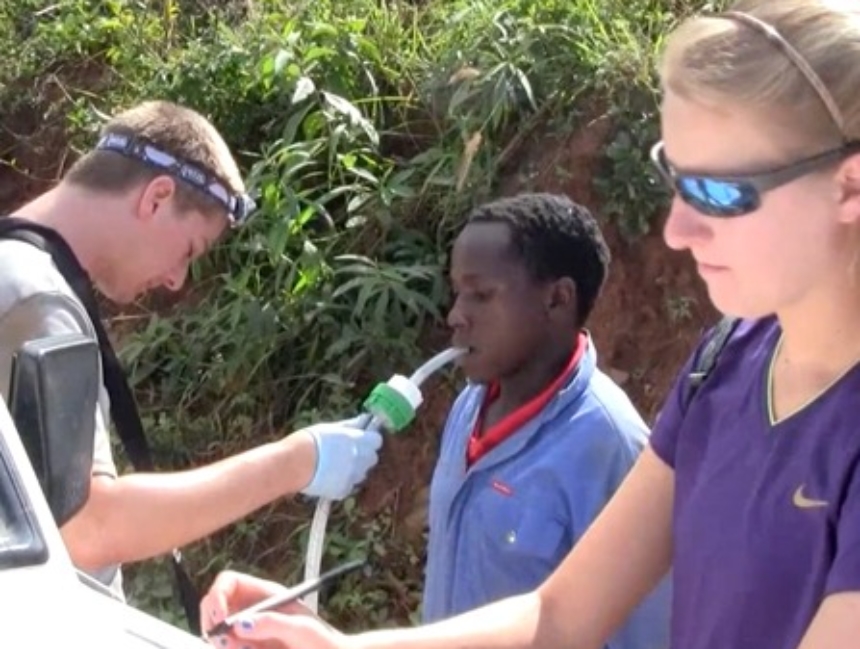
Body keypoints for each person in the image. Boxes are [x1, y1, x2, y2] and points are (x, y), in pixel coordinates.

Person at [198, 1, 860, 648]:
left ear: (850, 187)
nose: (678, 229)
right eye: (676, 178)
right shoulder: (725, 361)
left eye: (720, 193)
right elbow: (560, 615)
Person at [0, 100, 383, 600]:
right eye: (189, 250)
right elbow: (88, 528)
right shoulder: (34, 296)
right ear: (157, 198)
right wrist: (295, 462)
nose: (177, 280)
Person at [421, 193, 669, 648]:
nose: (456, 315)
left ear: (557, 299)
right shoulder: (469, 407)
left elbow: (644, 633)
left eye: (481, 294)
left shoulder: (609, 446)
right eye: (459, 292)